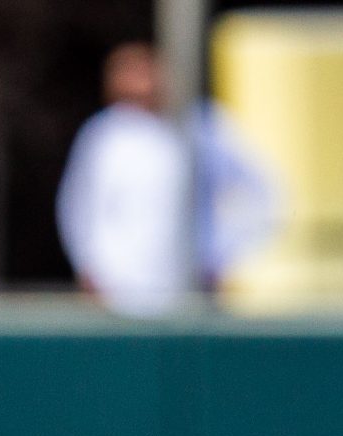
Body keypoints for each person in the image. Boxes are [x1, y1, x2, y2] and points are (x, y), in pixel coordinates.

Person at [56, 41, 277, 314]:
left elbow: (258, 195)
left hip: (187, 292)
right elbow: (78, 207)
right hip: (119, 293)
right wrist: (89, 267)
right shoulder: (104, 134)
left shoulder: (203, 127)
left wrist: (219, 257)